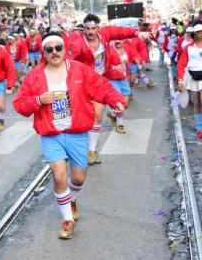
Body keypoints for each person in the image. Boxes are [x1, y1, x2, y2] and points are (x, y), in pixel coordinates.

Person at [13, 33, 125, 239]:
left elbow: (102, 87)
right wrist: (38, 100)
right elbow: (19, 104)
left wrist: (116, 101)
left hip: (77, 133)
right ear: (44, 53)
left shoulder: (79, 70)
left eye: (58, 48)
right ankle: (67, 220)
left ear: (64, 49)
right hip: (51, 134)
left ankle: (71, 199)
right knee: (59, 176)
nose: (54, 52)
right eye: (49, 49)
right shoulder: (34, 76)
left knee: (79, 178)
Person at [68, 14, 150, 165]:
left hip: (99, 82)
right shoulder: (78, 45)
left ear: (98, 28)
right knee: (81, 117)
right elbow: (67, 63)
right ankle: (74, 146)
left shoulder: (105, 34)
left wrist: (137, 33)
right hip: (82, 83)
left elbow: (120, 31)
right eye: (87, 29)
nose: (90, 31)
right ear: (83, 29)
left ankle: (91, 151)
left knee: (97, 116)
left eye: (93, 28)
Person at [177, 22, 202, 139]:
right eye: (197, 32)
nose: (199, 34)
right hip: (192, 76)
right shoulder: (188, 47)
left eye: (201, 31)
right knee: (197, 103)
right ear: (193, 33)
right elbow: (182, 64)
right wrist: (180, 81)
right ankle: (200, 129)